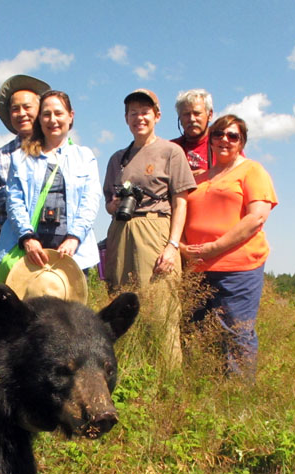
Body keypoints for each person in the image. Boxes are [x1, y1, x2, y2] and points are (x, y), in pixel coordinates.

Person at [103, 89, 196, 370]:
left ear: (157, 115)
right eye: (133, 113)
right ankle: (128, 373)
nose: (138, 118)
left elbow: (181, 202)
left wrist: (172, 246)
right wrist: (117, 203)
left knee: (159, 309)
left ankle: (168, 382)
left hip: (155, 229)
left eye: (144, 112)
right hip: (121, 231)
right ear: (126, 118)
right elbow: (108, 204)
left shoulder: (171, 152)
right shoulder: (118, 158)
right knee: (120, 304)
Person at [181, 114, 278, 378]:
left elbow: (256, 217)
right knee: (198, 332)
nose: (224, 140)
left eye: (232, 136)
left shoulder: (252, 170)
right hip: (198, 270)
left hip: (238, 268)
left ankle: (237, 399)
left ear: (241, 141)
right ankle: (202, 388)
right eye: (218, 134)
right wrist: (181, 246)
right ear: (210, 139)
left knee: (236, 331)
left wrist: (216, 246)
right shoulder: (199, 179)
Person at [0, 90, 101, 280]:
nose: (53, 120)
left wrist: (74, 238)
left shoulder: (85, 157)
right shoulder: (21, 157)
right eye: (46, 114)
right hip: (31, 252)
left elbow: (90, 201)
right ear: (40, 119)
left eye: (58, 113)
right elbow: (14, 200)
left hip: (71, 253)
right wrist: (27, 238)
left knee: (70, 309)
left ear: (71, 116)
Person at [0, 74, 50, 271]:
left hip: (51, 244)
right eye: (15, 109)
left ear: (40, 110)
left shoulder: (56, 153)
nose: (22, 113)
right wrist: (13, 193)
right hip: (8, 246)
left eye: (27, 107)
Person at [170, 89, 214, 176]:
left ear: (210, 115)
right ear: (180, 118)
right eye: (186, 114)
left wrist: (208, 175)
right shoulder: (169, 149)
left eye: (197, 113)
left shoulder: (225, 145)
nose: (192, 119)